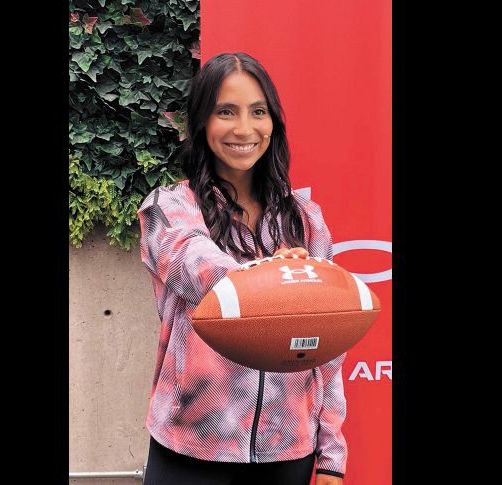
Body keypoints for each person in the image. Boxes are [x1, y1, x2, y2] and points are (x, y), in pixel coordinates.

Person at [137, 52, 346, 485]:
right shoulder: (170, 208)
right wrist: (270, 277)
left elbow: (328, 347)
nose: (244, 129)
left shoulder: (304, 218)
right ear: (201, 122)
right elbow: (198, 267)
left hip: (288, 450)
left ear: (274, 123)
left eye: (258, 112)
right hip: (191, 448)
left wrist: (330, 455)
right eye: (225, 112)